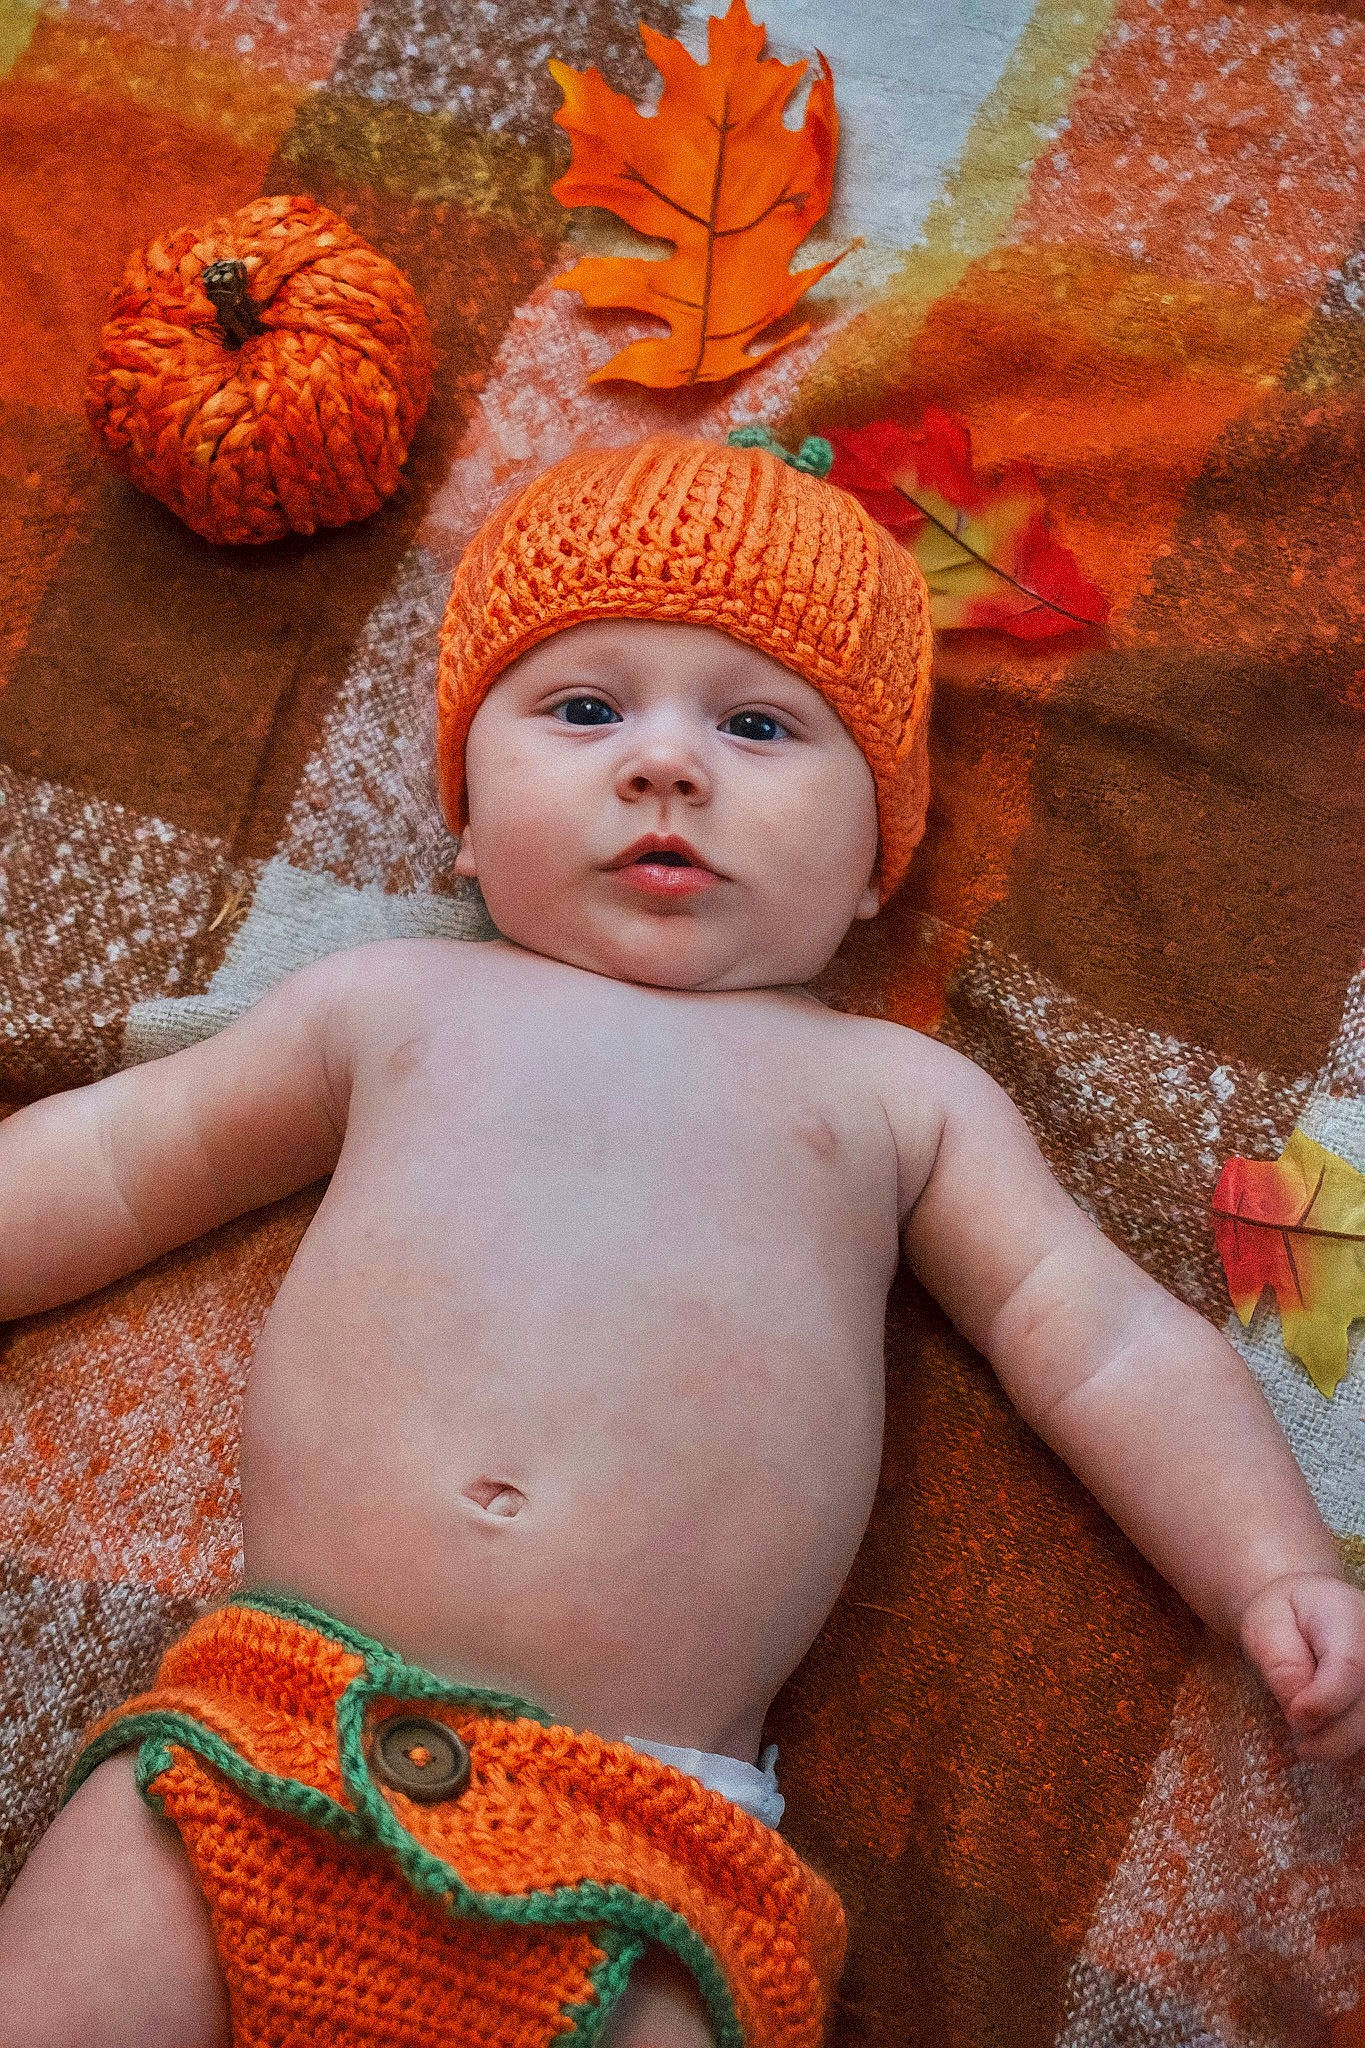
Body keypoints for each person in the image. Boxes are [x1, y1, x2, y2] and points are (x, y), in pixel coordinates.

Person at [0, 433, 1360, 2048]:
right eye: (584, 710)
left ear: (873, 866)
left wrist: (1265, 1559)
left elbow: (1104, 1336)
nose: (665, 767)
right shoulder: (389, 1008)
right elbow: (120, 1159)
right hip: (265, 1735)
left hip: (642, 1836)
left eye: (760, 725)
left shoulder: (894, 1097)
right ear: (461, 820)